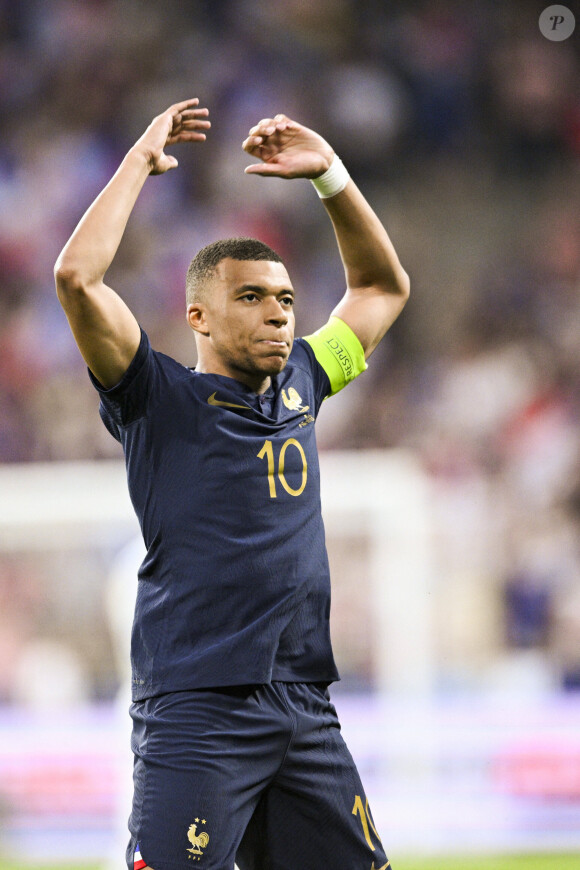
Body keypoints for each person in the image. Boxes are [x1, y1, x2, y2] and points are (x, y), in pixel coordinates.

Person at [54, 97, 409, 870]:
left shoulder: (306, 382)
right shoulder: (155, 397)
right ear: (199, 316)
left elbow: (382, 288)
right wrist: (138, 163)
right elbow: (78, 279)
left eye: (285, 298)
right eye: (251, 297)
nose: (279, 314)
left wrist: (333, 179)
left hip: (303, 703)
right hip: (198, 708)